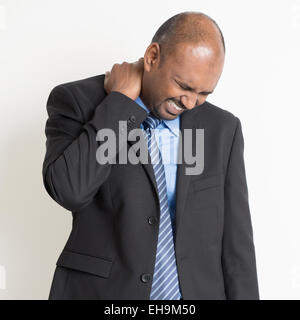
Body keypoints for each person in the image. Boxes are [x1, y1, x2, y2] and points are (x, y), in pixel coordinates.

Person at [43, 11, 259, 300]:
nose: (190, 102)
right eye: (183, 86)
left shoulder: (222, 129)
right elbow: (70, 190)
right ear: (152, 56)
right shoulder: (78, 102)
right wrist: (119, 104)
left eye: (204, 93)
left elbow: (237, 247)